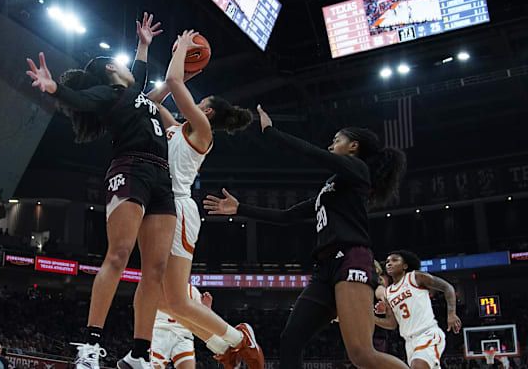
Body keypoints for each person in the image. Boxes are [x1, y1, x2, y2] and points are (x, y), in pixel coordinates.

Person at [203, 105, 408, 369]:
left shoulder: (358, 169)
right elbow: (287, 216)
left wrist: (271, 133)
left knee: (362, 355)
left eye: (337, 140)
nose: (331, 145)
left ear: (354, 146)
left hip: (351, 259)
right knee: (290, 338)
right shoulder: (333, 186)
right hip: (325, 268)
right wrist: (240, 208)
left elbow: (313, 154)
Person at [26, 12, 174, 369]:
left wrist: (142, 44)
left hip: (161, 177)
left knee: (155, 270)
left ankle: (140, 353)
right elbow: (80, 101)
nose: (127, 68)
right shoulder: (108, 94)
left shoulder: (134, 92)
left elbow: (138, 72)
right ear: (110, 70)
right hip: (130, 168)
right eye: (118, 63)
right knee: (119, 253)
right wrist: (54, 88)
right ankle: (90, 346)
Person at [146, 30, 261, 369]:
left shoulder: (202, 132)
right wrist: (177, 79)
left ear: (207, 113)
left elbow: (171, 77)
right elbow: (151, 103)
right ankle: (220, 344)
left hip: (178, 208)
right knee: (164, 300)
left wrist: (181, 52)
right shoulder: (180, 129)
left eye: (199, 103)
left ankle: (241, 339)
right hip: (162, 209)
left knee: (177, 300)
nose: (193, 104)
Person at [374, 250, 461, 369]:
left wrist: (451, 314)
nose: (389, 263)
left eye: (395, 260)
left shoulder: (414, 277)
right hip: (409, 343)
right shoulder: (388, 293)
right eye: (388, 261)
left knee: (418, 366)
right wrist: (371, 318)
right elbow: (392, 324)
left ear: (405, 266)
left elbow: (447, 287)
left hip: (427, 334)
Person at [151, 285, 211, 369]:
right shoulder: (156, 285)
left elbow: (200, 323)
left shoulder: (192, 291)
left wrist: (206, 310)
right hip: (159, 333)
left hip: (183, 335)